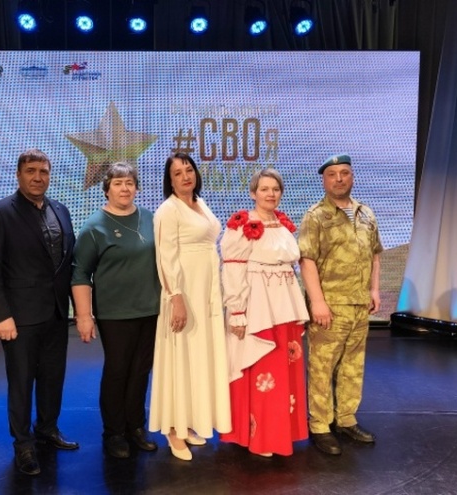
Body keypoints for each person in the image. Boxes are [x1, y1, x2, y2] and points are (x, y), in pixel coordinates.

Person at [0, 149, 78, 476]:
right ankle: (23, 444)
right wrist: (0, 315)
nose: (38, 177)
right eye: (31, 171)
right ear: (18, 175)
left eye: (43, 171)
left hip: (57, 313)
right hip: (18, 318)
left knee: (53, 377)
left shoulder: (61, 210)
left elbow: (66, 264)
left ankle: (47, 429)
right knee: (21, 383)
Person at [71, 162, 161, 459]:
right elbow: (80, 274)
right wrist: (84, 316)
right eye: (118, 183)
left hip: (150, 309)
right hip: (115, 313)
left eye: (130, 183)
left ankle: (136, 427)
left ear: (137, 188)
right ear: (107, 189)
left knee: (141, 370)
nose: (125, 188)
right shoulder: (94, 226)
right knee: (118, 370)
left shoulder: (150, 218)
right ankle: (114, 432)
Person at [219, 168, 310, 457]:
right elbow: (233, 269)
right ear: (253, 193)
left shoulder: (281, 224)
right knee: (262, 368)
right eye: (264, 189)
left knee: (283, 369)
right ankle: (260, 436)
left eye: (275, 189)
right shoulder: (242, 224)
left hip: (284, 306)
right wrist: (237, 311)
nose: (271, 194)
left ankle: (280, 432)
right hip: (258, 307)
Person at [148, 152, 231, 461]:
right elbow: (165, 257)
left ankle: (188, 421)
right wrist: (176, 297)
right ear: (169, 181)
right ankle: (173, 429)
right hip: (183, 292)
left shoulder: (200, 203)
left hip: (206, 290)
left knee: (199, 356)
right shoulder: (168, 210)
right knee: (179, 356)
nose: (185, 176)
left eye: (189, 170)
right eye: (178, 173)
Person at [298, 154, 382, 456]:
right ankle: (320, 424)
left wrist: (374, 289)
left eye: (344, 173)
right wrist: (317, 302)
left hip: (359, 304)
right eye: (332, 174)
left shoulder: (365, 213)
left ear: (352, 177)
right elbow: (307, 260)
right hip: (330, 306)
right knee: (322, 367)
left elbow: (374, 254)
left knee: (352, 366)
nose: (339, 179)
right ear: (324, 180)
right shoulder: (316, 216)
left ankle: (346, 419)